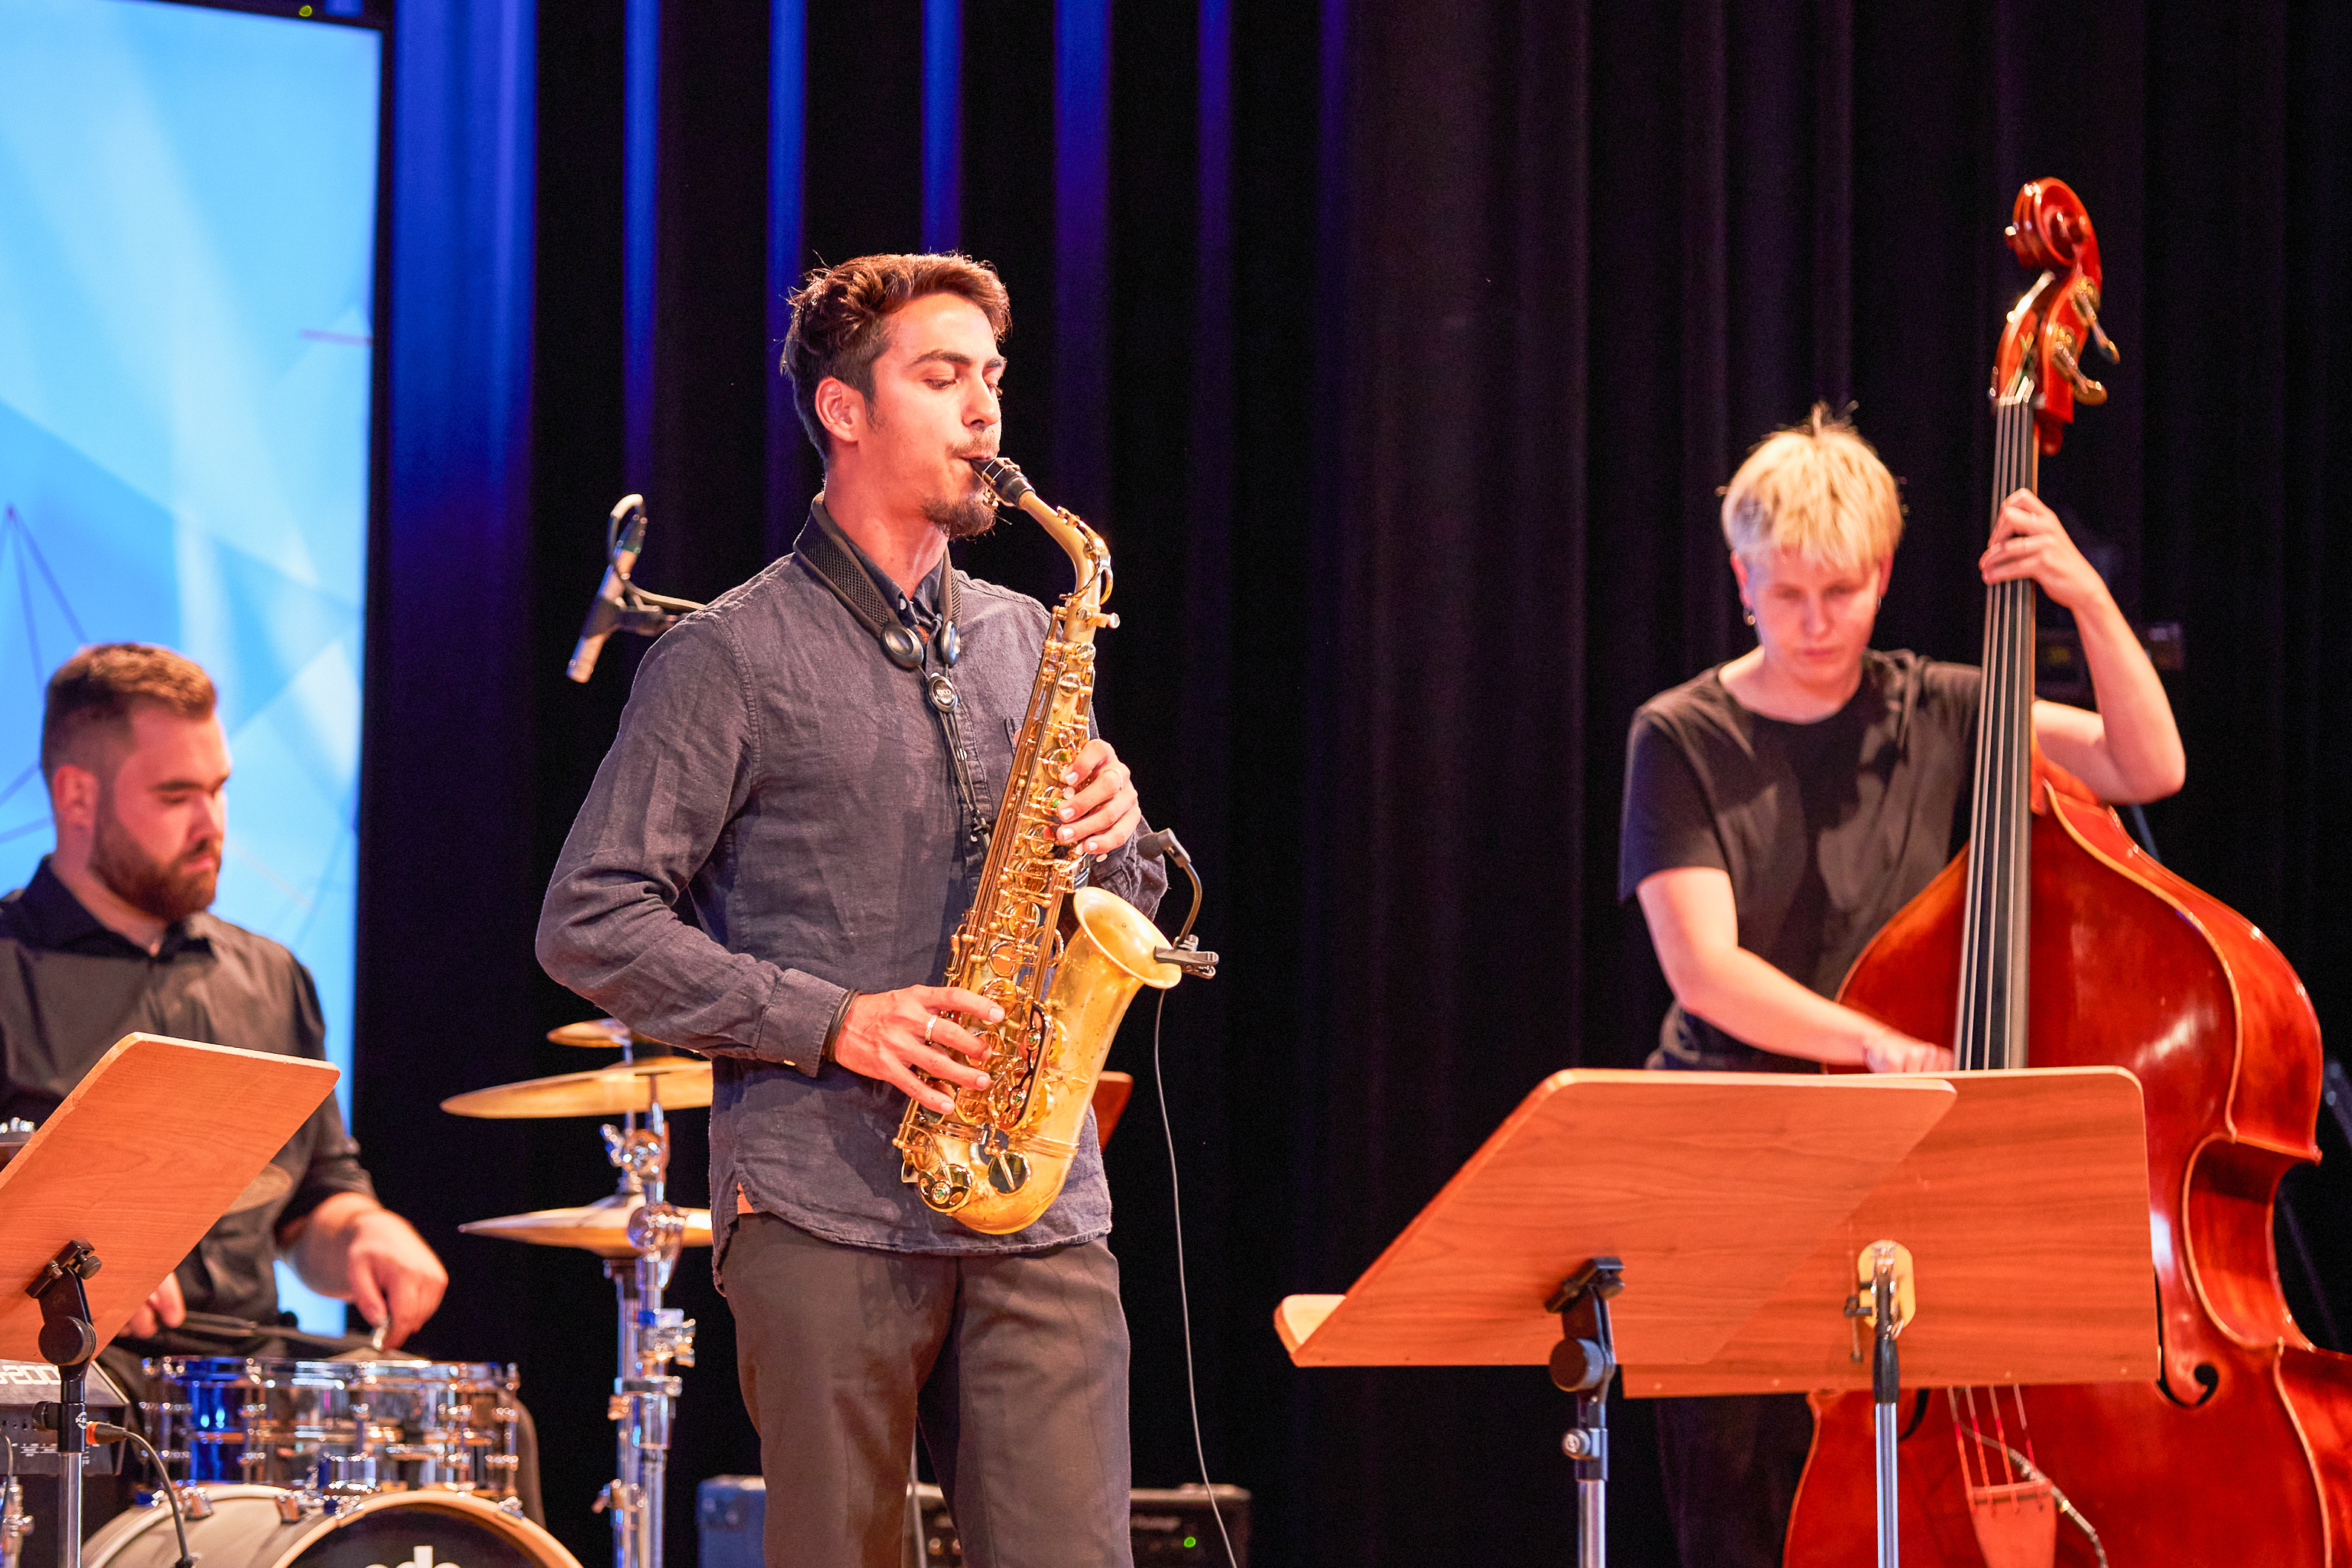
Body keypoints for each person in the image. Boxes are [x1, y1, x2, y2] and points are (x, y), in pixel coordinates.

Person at [537, 252, 1166, 1568]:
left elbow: (1122, 907)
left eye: (992, 378)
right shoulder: (727, 656)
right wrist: (836, 1022)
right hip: (824, 1206)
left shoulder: (1022, 634)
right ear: (843, 411)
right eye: (942, 378)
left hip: (1037, 1198)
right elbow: (589, 919)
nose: (985, 411)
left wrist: (1123, 841)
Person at [1617, 406, 2183, 1567]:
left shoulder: (1951, 707)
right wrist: (1871, 1043)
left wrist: (2081, 593)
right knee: (1737, 1513)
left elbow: (2147, 764)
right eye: (1788, 594)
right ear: (1742, 579)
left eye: (1845, 590)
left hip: (1898, 1166)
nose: (1817, 622)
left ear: (1883, 573)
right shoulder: (1678, 735)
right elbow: (1704, 969)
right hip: (1732, 1150)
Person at [0, 644, 454, 1519]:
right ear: (76, 796)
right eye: (176, 796)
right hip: (76, 1375)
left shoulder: (271, 976)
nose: (212, 822)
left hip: (247, 1368)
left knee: (462, 1417)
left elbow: (313, 1198)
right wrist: (80, 1260)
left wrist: (362, 1231)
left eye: (218, 789)